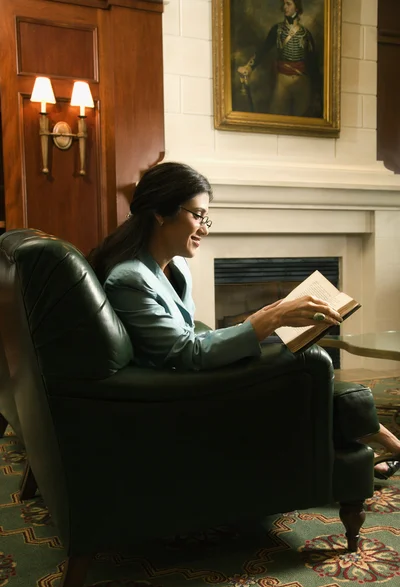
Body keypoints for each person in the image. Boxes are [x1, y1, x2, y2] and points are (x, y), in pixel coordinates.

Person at [88, 161, 400, 480]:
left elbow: (185, 341)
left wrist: (267, 317)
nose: (205, 228)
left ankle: (356, 454)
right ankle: (372, 447)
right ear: (160, 213)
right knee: (298, 369)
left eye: (206, 217)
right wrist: (272, 316)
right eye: (197, 215)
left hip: (193, 380)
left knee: (300, 373)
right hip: (176, 397)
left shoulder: (175, 268)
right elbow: (184, 352)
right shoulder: (129, 279)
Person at [237, 0, 321, 117]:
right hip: (282, 80)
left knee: (303, 121)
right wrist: (249, 66)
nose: (284, 7)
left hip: (302, 82)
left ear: (297, 8)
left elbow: (313, 64)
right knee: (276, 115)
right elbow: (263, 49)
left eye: (288, 4)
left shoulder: (306, 34)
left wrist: (318, 93)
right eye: (284, 4)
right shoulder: (277, 30)